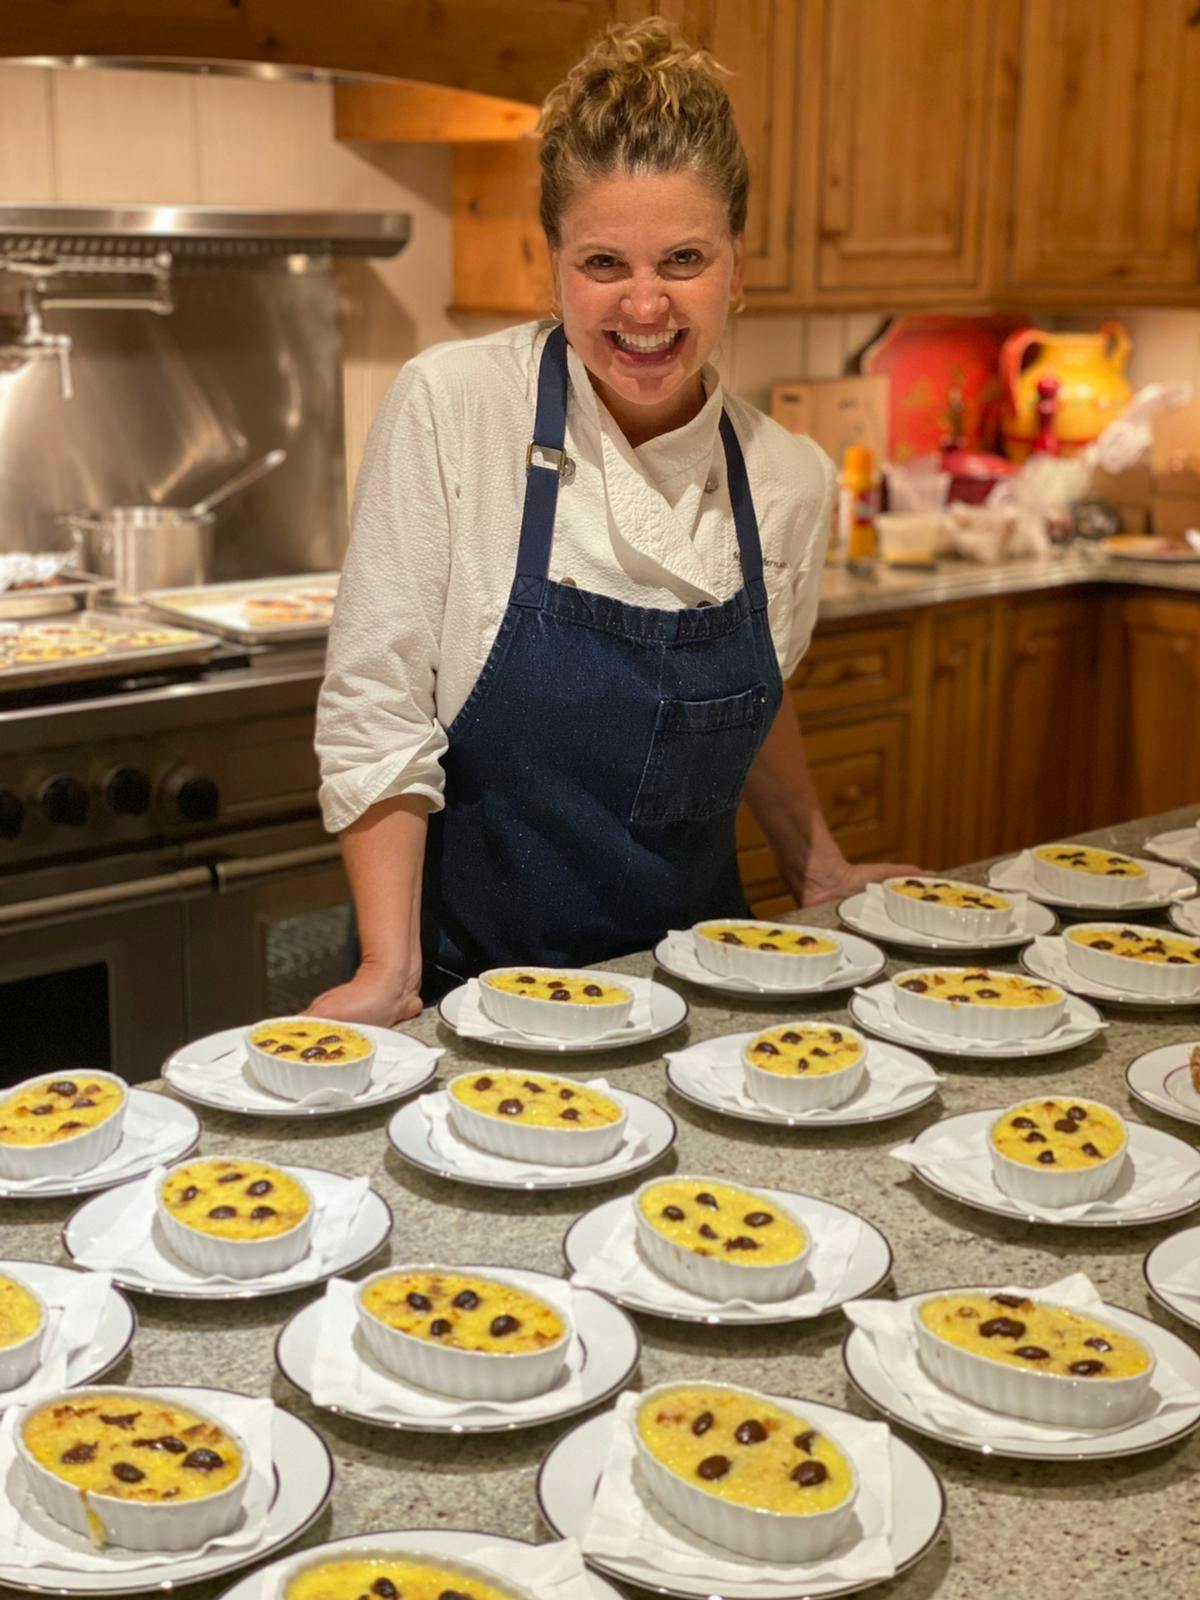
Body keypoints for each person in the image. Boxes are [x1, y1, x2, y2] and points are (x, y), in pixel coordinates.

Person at [311, 19, 916, 1026]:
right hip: (472, 1002)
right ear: (552, 263)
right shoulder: (455, 408)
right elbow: (377, 705)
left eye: (683, 257)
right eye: (602, 262)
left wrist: (818, 864)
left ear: (737, 266)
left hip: (702, 1002)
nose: (646, 305)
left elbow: (750, 694)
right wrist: (389, 970)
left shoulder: (790, 481)